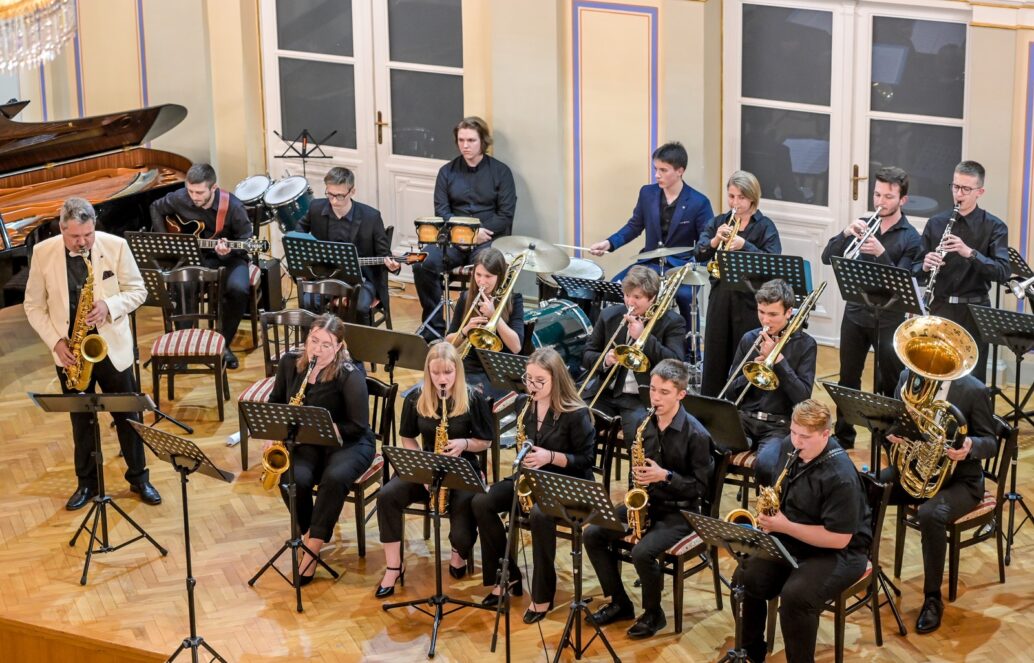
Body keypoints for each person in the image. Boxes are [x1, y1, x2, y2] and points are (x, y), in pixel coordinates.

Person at [24, 197, 161, 510]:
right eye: (75, 236)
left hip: (111, 348)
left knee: (128, 415)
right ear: (61, 229)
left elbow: (138, 291)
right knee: (81, 421)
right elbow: (33, 306)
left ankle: (139, 477)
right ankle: (87, 483)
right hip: (70, 351)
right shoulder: (43, 253)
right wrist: (56, 342)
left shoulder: (115, 246)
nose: (83, 242)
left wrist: (109, 306)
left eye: (88, 234)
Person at [584, 359, 713, 639]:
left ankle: (654, 614)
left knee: (642, 552)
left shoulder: (697, 435)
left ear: (681, 394)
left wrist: (665, 476)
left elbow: (701, 489)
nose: (656, 398)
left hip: (681, 512)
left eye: (664, 392)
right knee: (593, 533)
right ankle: (620, 602)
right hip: (648, 503)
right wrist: (638, 487)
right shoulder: (645, 425)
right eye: (653, 390)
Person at [735, 400, 871, 663]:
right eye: (793, 432)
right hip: (793, 537)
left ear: (826, 434)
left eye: (804, 437)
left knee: (795, 598)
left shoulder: (840, 476)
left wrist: (784, 526)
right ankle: (751, 653)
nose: (796, 441)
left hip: (840, 552)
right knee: (745, 577)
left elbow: (839, 539)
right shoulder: (791, 446)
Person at [471, 347, 595, 623]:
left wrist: (550, 456)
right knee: (482, 501)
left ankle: (542, 594)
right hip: (532, 478)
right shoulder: (524, 404)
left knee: (540, 515)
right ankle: (507, 576)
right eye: (529, 379)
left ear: (556, 380)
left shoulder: (576, 413)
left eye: (540, 381)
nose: (532, 386)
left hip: (568, 483)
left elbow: (586, 460)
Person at [882, 369, 998, 634]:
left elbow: (991, 442)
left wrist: (970, 445)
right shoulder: (908, 378)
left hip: (960, 482)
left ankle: (932, 598)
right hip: (916, 471)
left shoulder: (974, 390)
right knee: (869, 486)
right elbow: (892, 421)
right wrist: (891, 432)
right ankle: (859, 567)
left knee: (930, 514)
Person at [374, 342, 494, 598]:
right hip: (426, 467)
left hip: (461, 468)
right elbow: (407, 437)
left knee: (462, 529)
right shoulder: (416, 397)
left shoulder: (473, 398)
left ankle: (458, 551)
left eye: (448, 372)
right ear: (428, 372)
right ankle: (394, 566)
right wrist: (422, 467)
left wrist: (464, 444)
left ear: (457, 371)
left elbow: (485, 441)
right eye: (436, 373)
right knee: (387, 496)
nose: (442, 379)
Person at [265, 313, 374, 585]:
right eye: (314, 341)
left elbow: (358, 424)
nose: (318, 349)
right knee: (294, 478)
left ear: (339, 346)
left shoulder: (350, 374)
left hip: (348, 442)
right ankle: (308, 533)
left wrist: (327, 428)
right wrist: (274, 434)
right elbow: (276, 401)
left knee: (334, 478)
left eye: (326, 345)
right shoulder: (290, 363)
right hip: (308, 441)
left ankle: (312, 549)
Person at [821, 166, 923, 448]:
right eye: (877, 195)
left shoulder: (911, 237)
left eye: (888, 197)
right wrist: (845, 233)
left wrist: (881, 253)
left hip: (889, 319)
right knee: (847, 378)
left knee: (889, 380)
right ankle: (844, 435)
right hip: (856, 313)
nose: (880, 201)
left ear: (902, 199)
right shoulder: (865, 224)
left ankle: (888, 437)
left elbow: (904, 281)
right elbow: (827, 257)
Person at [588, 141, 714, 338]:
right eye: (656, 169)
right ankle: (623, 339)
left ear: (680, 171)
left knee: (685, 297)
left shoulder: (699, 202)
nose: (657, 175)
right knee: (615, 286)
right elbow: (634, 226)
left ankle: (689, 347)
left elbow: (706, 242)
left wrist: (696, 268)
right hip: (650, 263)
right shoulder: (647, 193)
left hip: (682, 267)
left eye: (663, 170)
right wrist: (609, 243)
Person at [412, 116, 517, 340]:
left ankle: (478, 326)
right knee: (422, 263)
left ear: (483, 141)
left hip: (487, 240)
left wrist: (477, 234)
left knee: (485, 269)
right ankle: (434, 327)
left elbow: (505, 214)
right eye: (461, 140)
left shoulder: (501, 172)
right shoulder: (446, 172)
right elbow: (442, 210)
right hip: (453, 240)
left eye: (471, 140)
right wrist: (463, 234)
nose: (465, 146)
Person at [149, 163, 253, 369]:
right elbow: (155, 207)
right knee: (182, 285)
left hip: (229, 258)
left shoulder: (233, 207)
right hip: (194, 256)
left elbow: (246, 241)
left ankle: (223, 344)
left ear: (213, 188)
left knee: (239, 289)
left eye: (199, 192)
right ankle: (183, 348)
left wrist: (229, 250)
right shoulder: (180, 198)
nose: (194, 197)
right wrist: (167, 241)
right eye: (190, 191)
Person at [913, 160, 1009, 383]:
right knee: (936, 373)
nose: (959, 194)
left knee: (972, 380)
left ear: (979, 192)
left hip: (975, 310)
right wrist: (925, 265)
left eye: (966, 189)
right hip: (941, 307)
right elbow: (916, 270)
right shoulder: (936, 223)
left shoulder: (994, 227)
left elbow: (1003, 272)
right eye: (955, 187)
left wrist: (970, 253)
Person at [696, 171, 781, 397]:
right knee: (715, 353)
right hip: (721, 296)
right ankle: (712, 402)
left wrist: (745, 245)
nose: (735, 202)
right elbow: (699, 253)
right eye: (731, 196)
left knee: (744, 355)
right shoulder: (719, 222)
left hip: (750, 301)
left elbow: (773, 262)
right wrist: (715, 240)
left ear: (752, 198)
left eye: (741, 197)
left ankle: (742, 404)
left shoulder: (765, 226)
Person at [724, 279, 817, 485]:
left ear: (788, 312)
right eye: (761, 312)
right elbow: (730, 390)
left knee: (767, 465)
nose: (765, 320)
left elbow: (803, 397)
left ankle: (766, 506)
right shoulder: (749, 339)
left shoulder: (806, 345)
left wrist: (779, 362)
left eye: (773, 314)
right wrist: (750, 373)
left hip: (779, 426)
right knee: (708, 447)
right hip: (744, 420)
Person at [581, 265, 686, 443]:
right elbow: (586, 354)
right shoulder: (609, 315)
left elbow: (675, 365)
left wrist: (644, 338)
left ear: (652, 298)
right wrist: (605, 360)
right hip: (605, 391)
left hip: (640, 398)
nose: (630, 302)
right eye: (627, 295)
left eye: (637, 297)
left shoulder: (672, 322)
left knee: (639, 437)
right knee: (573, 418)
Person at [296, 167, 400, 326]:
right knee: (308, 302)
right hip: (325, 277)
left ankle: (357, 341)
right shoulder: (316, 208)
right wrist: (307, 253)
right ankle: (318, 339)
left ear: (352, 191)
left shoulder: (371, 217)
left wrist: (393, 266)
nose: (333, 201)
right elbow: (299, 231)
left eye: (339, 196)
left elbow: (384, 254)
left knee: (359, 306)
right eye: (330, 194)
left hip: (361, 281)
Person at [444, 247, 525, 399]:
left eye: (488, 276)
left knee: (477, 398)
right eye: (478, 274)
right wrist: (465, 330)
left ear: (499, 276)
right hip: (471, 366)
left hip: (499, 368)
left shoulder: (515, 300)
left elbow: (516, 347)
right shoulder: (465, 298)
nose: (482, 281)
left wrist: (495, 316)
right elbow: (449, 343)